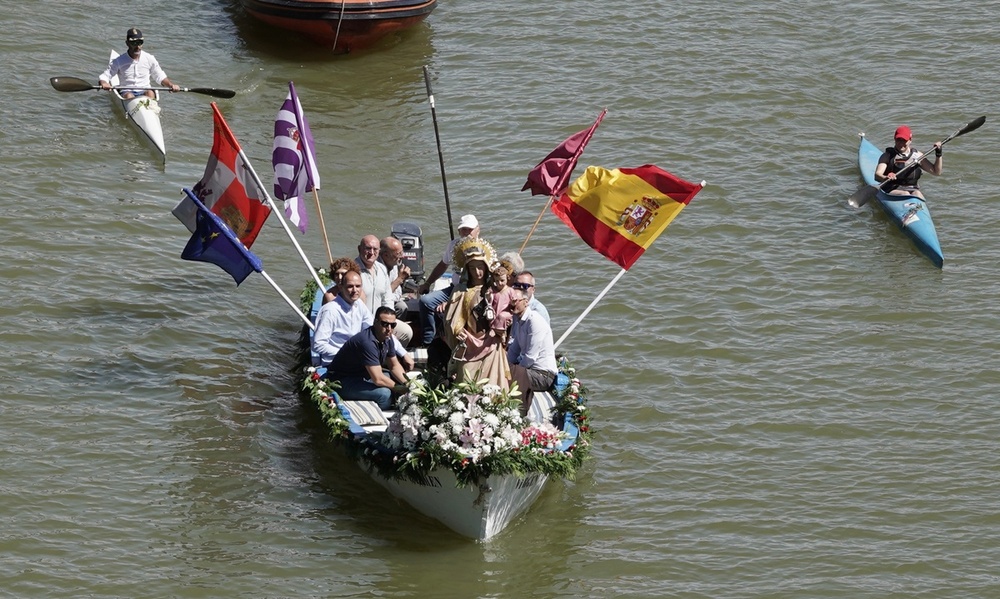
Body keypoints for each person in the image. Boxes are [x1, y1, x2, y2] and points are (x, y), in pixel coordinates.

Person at [443, 237, 510, 389]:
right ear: (467, 270)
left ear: (486, 267)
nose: (477, 272)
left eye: (480, 267)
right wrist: (458, 330)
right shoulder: (461, 291)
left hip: (491, 342)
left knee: (492, 385)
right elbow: (451, 318)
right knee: (466, 382)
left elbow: (506, 312)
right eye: (472, 268)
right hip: (469, 343)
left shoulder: (494, 289)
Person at [326, 307, 409, 410]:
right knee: (384, 394)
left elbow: (394, 366)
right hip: (341, 381)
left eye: (393, 325)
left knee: (390, 377)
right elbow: (378, 379)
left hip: (362, 375)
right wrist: (402, 389)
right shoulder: (367, 342)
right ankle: (379, 415)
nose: (389, 328)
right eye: (384, 324)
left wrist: (408, 385)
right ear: (375, 322)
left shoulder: (387, 338)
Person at [417, 214, 480, 345]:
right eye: (464, 229)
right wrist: (428, 283)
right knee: (425, 301)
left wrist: (452, 301)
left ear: (477, 230)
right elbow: (443, 265)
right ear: (459, 231)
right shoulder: (453, 245)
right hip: (454, 288)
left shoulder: (482, 250)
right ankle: (429, 341)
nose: (466, 233)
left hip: (471, 292)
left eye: (470, 229)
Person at [507, 288, 558, 416]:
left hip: (543, 375)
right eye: (510, 301)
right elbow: (514, 349)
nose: (512, 304)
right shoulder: (518, 321)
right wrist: (504, 364)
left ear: (525, 302)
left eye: (515, 301)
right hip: (529, 371)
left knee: (512, 373)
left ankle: (518, 412)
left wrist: (513, 371)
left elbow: (530, 357)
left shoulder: (534, 321)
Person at [355, 235, 413, 348]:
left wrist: (388, 323)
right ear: (359, 249)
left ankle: (385, 356)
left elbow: (387, 299)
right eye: (368, 248)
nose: (371, 252)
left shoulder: (381, 269)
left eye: (375, 249)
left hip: (380, 321)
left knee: (406, 332)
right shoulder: (354, 271)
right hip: (361, 323)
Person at [98, 28, 180, 100]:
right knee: (129, 96)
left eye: (140, 42)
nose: (137, 46)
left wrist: (171, 85)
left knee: (150, 93)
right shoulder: (119, 61)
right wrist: (104, 83)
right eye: (134, 43)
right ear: (127, 43)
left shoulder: (149, 58)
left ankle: (148, 111)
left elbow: (160, 76)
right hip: (127, 91)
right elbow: (105, 76)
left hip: (145, 89)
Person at [312, 271, 372, 367]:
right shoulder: (330, 310)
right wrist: (347, 353)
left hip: (356, 359)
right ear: (340, 287)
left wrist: (403, 353)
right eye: (350, 286)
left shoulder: (359, 304)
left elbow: (372, 330)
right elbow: (318, 344)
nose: (355, 290)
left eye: (358, 286)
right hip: (335, 363)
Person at [874, 125, 943, 200]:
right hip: (891, 189)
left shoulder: (918, 156)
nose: (900, 143)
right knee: (905, 194)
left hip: (912, 189)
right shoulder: (887, 156)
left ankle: (919, 210)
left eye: (904, 140)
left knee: (917, 193)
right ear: (894, 139)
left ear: (910, 140)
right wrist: (886, 177)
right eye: (898, 140)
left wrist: (938, 154)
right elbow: (877, 175)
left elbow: (936, 172)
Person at [379, 236, 411, 320]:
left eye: (402, 252)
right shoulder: (377, 269)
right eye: (399, 254)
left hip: (391, 300)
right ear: (386, 255)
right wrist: (400, 278)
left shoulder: (393, 263)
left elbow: (397, 293)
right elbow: (382, 296)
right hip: (379, 304)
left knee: (402, 307)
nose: (402, 256)